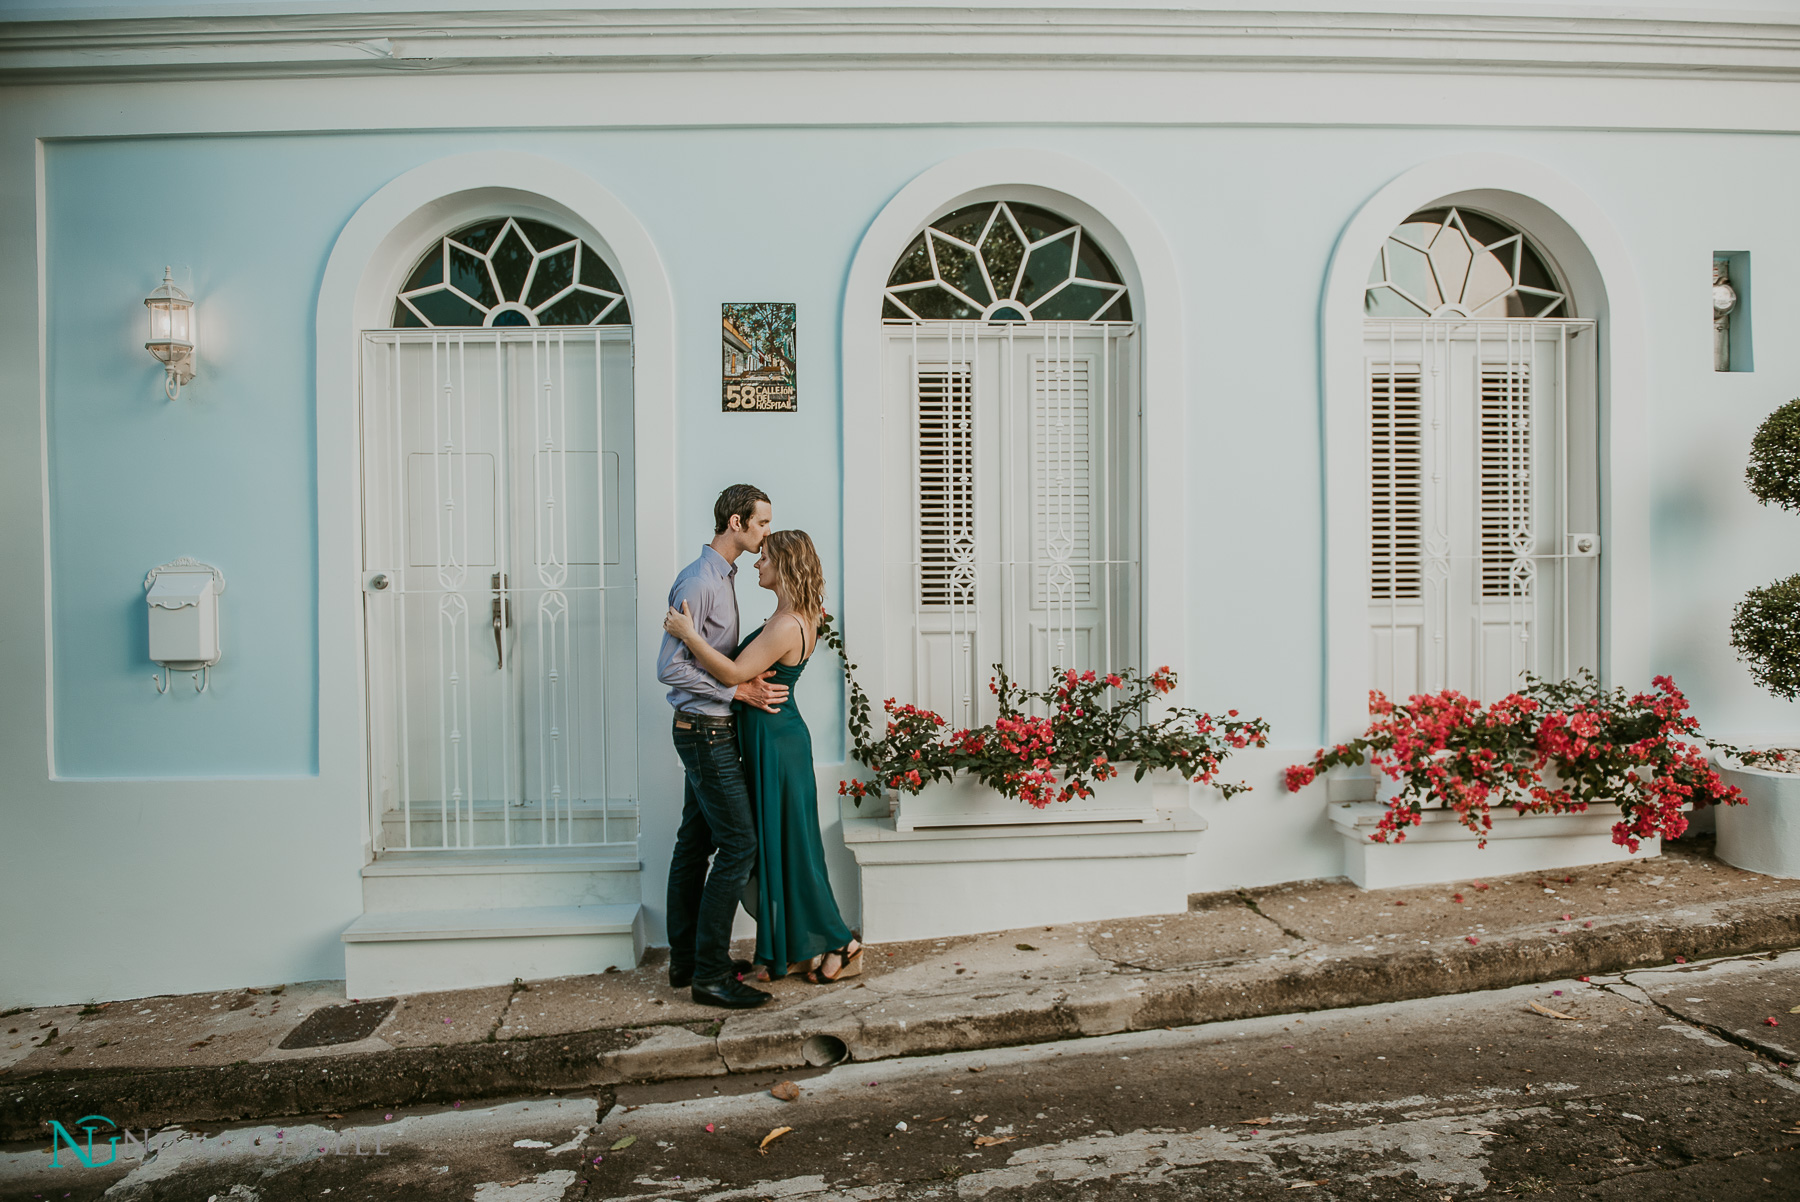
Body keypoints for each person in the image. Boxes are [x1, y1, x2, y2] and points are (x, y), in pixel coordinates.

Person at [664, 529, 863, 984]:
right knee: (778, 848)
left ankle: (841, 942)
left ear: (786, 566)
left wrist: (688, 634)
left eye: (766, 558)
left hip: (775, 745)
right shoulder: (790, 616)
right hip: (769, 739)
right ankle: (793, 950)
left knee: (793, 849)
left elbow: (733, 672)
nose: (757, 563)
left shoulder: (788, 624)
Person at [656, 484, 788, 1009]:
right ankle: (709, 976)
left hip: (709, 728)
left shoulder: (721, 577)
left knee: (695, 844)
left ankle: (686, 960)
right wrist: (735, 689)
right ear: (736, 522)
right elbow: (669, 667)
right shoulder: (699, 580)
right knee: (739, 845)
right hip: (704, 732)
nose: (766, 534)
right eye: (762, 524)